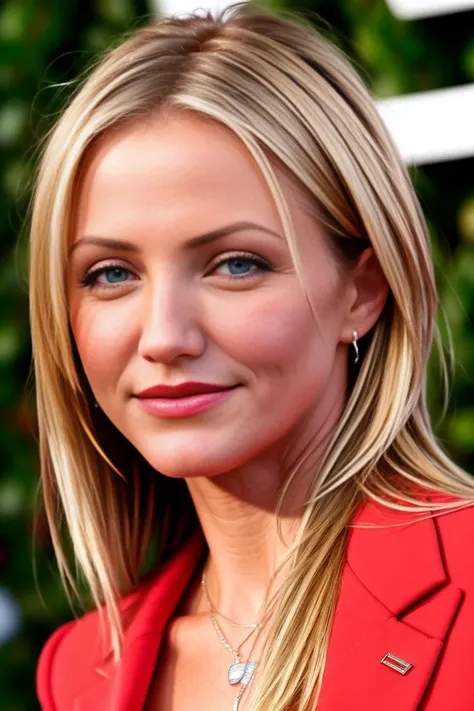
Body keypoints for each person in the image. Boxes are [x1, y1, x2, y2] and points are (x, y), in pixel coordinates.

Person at [30, 3, 474, 710]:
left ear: (362, 289)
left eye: (234, 264)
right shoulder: (78, 671)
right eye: (111, 273)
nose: (164, 335)